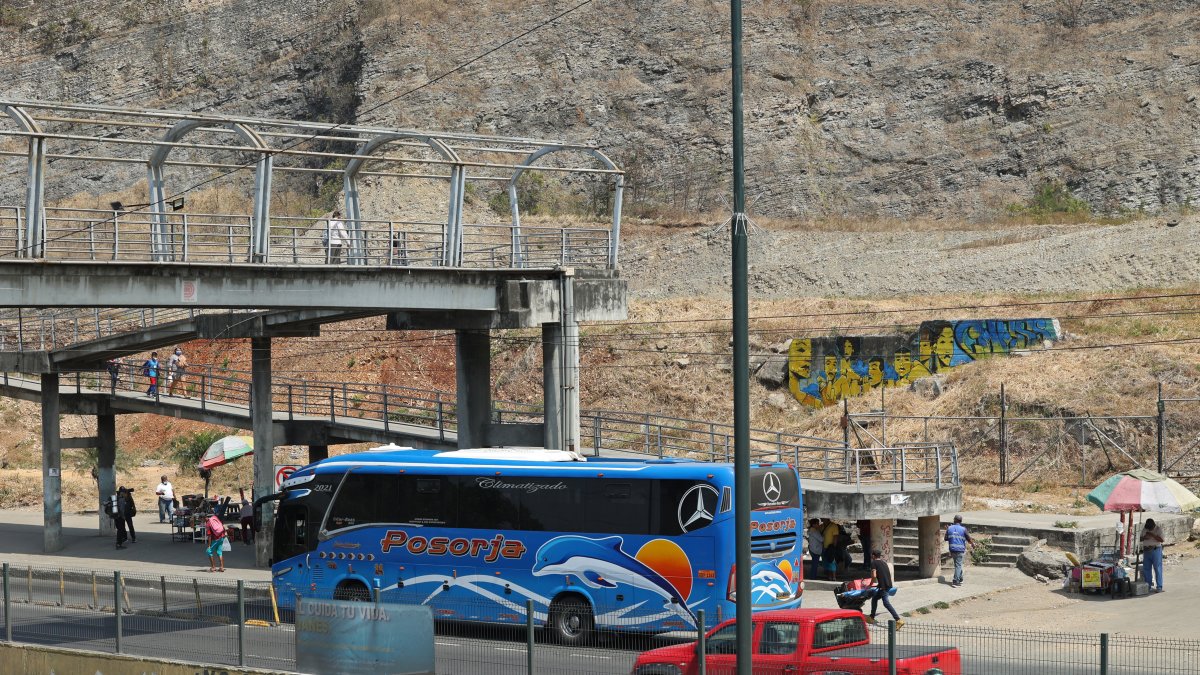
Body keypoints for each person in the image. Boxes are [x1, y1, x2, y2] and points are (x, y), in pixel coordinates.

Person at [867, 549, 903, 628]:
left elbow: (874, 576)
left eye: (871, 555)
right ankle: (871, 617)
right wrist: (878, 585)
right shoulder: (884, 563)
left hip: (883, 587)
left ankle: (898, 620)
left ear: (873, 556)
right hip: (886, 585)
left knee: (886, 603)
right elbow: (884, 575)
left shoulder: (874, 563)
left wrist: (870, 584)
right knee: (875, 598)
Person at [945, 514, 976, 587]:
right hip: (960, 550)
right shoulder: (963, 529)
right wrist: (973, 544)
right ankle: (955, 580)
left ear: (954, 520)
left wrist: (948, 530)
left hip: (952, 549)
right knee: (958, 565)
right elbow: (969, 539)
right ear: (961, 521)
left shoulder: (949, 528)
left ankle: (960, 578)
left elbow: (945, 539)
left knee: (957, 564)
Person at [1140, 518, 1165, 592]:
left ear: (1153, 525)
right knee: (1146, 568)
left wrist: (1152, 535)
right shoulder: (1145, 529)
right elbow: (1140, 538)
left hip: (1155, 550)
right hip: (1146, 550)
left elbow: (1162, 540)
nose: (1148, 529)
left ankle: (1159, 586)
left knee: (1157, 568)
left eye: (1150, 528)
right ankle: (1148, 585)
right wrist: (1145, 537)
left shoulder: (1158, 529)